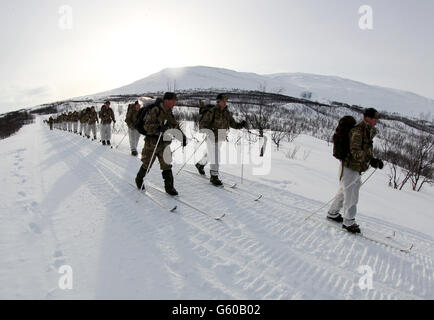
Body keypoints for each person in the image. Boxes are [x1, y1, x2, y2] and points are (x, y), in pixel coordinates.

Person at [327, 108, 384, 234]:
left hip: (354, 167)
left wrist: (370, 160)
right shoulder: (358, 131)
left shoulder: (366, 130)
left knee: (344, 191)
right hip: (350, 167)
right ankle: (349, 222)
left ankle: (332, 213)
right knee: (351, 195)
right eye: (374, 119)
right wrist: (371, 160)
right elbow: (355, 151)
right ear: (367, 118)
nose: (376, 121)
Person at [135, 92, 187, 196]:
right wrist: (158, 128)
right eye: (173, 100)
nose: (174, 103)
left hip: (164, 143)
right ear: (166, 100)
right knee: (147, 164)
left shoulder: (169, 112)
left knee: (167, 165)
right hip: (152, 143)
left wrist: (182, 136)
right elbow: (147, 126)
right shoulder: (156, 110)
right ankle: (139, 179)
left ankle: (169, 188)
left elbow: (174, 126)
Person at [195, 94, 247, 186]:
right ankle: (214, 176)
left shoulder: (226, 112)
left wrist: (241, 125)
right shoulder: (212, 111)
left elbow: (232, 124)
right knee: (215, 155)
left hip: (221, 135)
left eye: (225, 100)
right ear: (218, 101)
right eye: (223, 100)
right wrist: (211, 130)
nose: (225, 102)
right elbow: (202, 125)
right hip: (212, 136)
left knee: (211, 154)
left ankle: (200, 164)